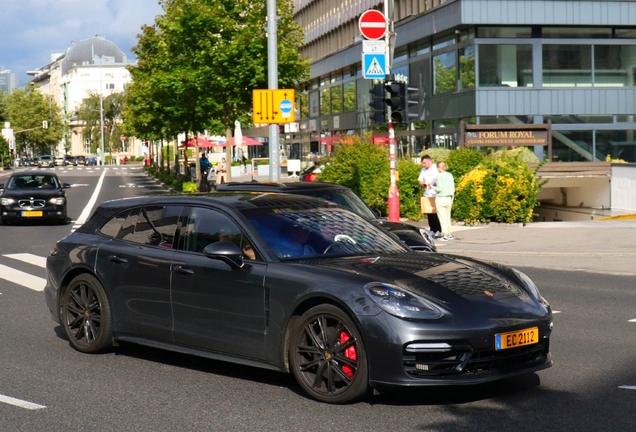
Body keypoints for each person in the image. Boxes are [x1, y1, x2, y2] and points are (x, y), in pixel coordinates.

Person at [418, 155, 442, 238]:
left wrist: (433, 184)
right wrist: (423, 184)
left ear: (429, 161)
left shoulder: (436, 168)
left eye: (424, 163)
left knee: (436, 213)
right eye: (423, 163)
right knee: (429, 213)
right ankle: (432, 229)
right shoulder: (423, 170)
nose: (424, 165)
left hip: (435, 193)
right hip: (427, 193)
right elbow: (420, 180)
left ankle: (438, 229)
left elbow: (440, 178)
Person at [433, 162, 456, 241]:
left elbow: (439, 188)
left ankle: (445, 234)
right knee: (447, 216)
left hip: (441, 198)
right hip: (449, 198)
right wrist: (451, 199)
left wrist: (431, 186)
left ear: (439, 168)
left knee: (442, 217)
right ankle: (449, 233)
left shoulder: (439, 176)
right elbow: (453, 188)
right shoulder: (450, 175)